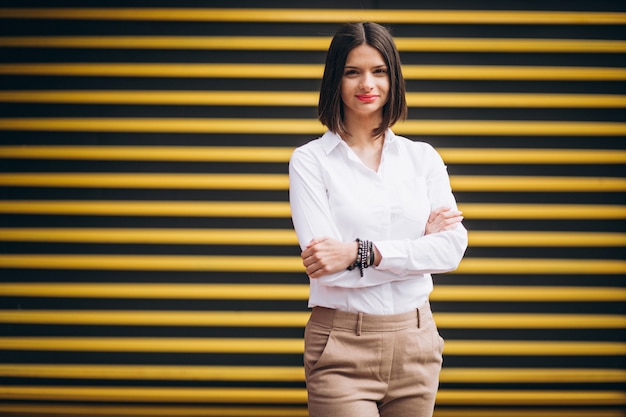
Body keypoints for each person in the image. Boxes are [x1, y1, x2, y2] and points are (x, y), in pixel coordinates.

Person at [288, 22, 468, 417]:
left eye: (379, 71)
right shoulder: (310, 162)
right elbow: (327, 269)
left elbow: (451, 250)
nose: (366, 83)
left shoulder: (422, 159)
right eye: (353, 71)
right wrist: (417, 252)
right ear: (335, 79)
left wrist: (359, 252)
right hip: (341, 346)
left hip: (416, 341)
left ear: (393, 78)